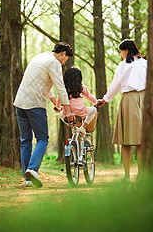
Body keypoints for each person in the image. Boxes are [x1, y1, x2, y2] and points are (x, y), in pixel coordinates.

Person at [14, 42, 74, 188]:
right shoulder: (54, 63)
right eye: (66, 59)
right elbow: (61, 87)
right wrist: (68, 110)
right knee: (42, 138)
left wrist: (55, 102)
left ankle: (28, 179)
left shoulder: (39, 57)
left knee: (25, 140)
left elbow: (41, 84)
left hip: (20, 103)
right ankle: (32, 169)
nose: (64, 62)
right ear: (63, 54)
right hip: (34, 105)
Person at [97, 39, 147, 183]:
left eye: (120, 51)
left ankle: (126, 176)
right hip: (145, 100)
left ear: (126, 50)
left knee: (126, 141)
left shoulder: (124, 65)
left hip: (129, 100)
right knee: (141, 142)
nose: (120, 55)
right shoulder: (145, 63)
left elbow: (115, 85)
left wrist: (105, 99)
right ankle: (141, 175)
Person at [61, 66, 98, 133]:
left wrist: (58, 107)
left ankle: (73, 128)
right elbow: (89, 97)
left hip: (67, 113)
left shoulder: (63, 89)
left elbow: (60, 100)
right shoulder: (81, 87)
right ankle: (83, 127)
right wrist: (96, 102)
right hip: (81, 112)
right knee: (94, 110)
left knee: (61, 114)